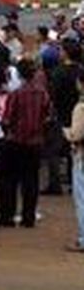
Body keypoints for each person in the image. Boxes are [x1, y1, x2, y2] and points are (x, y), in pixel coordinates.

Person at [0, 59, 52, 228]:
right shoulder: (42, 93)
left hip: (15, 140)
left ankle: (7, 216)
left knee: (9, 180)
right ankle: (28, 217)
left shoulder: (16, 94)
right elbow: (48, 116)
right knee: (31, 181)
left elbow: (7, 119)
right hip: (35, 141)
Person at [44, 39, 82, 195]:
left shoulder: (58, 72)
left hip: (61, 114)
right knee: (75, 149)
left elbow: (53, 96)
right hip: (78, 114)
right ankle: (74, 181)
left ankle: (55, 184)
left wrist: (50, 114)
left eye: (61, 50)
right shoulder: (80, 70)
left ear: (65, 53)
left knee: (53, 151)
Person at [64, 70, 84, 252]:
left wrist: (66, 132)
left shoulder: (81, 107)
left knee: (82, 199)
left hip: (81, 156)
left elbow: (76, 134)